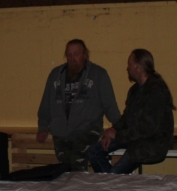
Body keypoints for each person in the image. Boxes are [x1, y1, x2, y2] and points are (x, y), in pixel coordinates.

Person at [37, 39, 121, 171]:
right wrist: (42, 127)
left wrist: (118, 127)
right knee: (64, 169)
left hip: (87, 129)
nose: (72, 58)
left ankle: (80, 182)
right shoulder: (55, 75)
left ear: (85, 55)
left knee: (78, 160)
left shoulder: (98, 74)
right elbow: (46, 104)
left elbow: (109, 105)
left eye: (76, 54)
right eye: (69, 54)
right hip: (61, 131)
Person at [88, 48, 175, 174]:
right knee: (94, 151)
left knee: (114, 174)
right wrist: (111, 132)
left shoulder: (156, 91)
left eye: (129, 64)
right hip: (134, 138)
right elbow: (126, 118)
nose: (127, 68)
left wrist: (117, 135)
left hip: (152, 143)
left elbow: (147, 129)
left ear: (138, 67)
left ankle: (112, 181)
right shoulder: (134, 90)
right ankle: (112, 181)